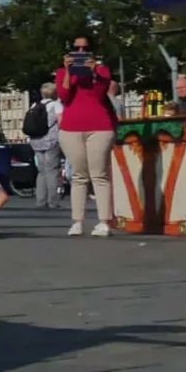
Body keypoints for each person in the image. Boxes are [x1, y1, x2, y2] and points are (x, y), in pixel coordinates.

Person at [51, 34, 118, 237]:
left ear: (92, 51)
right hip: (71, 128)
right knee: (79, 176)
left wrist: (93, 71)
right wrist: (68, 72)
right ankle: (77, 221)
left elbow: (100, 92)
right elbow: (64, 96)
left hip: (100, 126)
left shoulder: (102, 71)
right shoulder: (64, 71)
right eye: (76, 48)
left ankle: (104, 222)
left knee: (99, 174)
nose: (80, 52)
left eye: (85, 48)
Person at [23, 81, 64, 210]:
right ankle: (53, 201)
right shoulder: (56, 105)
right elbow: (62, 122)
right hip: (51, 140)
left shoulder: (35, 104)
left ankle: (40, 200)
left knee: (41, 172)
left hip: (36, 141)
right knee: (52, 170)